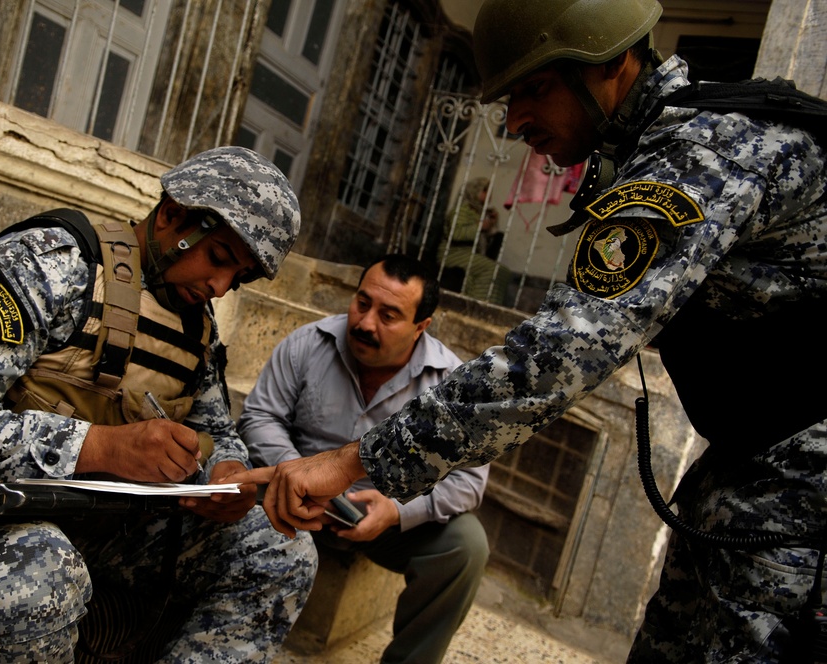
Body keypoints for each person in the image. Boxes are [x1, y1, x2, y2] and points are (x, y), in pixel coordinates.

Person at [230, 1, 827, 661]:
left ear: (611, 61)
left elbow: (557, 355)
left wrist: (352, 463)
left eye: (534, 89)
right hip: (753, 465)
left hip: (802, 483)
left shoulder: (705, 147)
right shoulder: (660, 143)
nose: (515, 122)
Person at [0, 146, 318, 663]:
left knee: (281, 550)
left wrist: (224, 474)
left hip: (94, 521)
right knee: (40, 572)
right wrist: (96, 446)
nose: (222, 286)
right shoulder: (50, 264)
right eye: (221, 258)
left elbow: (216, 429)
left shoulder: (194, 326)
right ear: (171, 216)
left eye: (242, 276)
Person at [238, 254, 489, 664]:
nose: (365, 323)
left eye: (389, 315)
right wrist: (293, 471)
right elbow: (261, 415)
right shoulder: (307, 344)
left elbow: (468, 482)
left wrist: (394, 511)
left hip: (383, 517)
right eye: (362, 302)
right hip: (293, 497)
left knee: (466, 547)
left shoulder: (451, 385)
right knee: (227, 481)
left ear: (420, 327)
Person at [439, 177, 508, 303]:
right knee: (493, 269)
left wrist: (492, 224)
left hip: (470, 255)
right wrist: (480, 226)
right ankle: (478, 305)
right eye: (485, 191)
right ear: (475, 191)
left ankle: (485, 304)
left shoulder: (480, 213)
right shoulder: (461, 211)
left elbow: (486, 242)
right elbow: (455, 233)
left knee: (502, 272)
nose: (489, 195)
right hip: (453, 254)